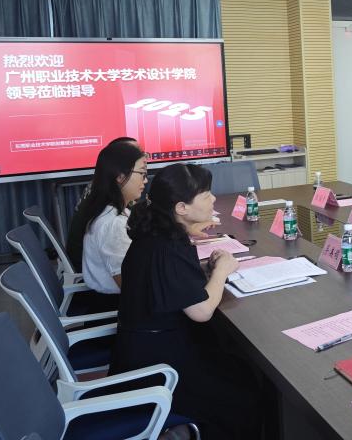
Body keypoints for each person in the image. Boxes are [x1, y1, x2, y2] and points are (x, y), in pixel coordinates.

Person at [111, 163, 259, 439]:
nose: (213, 198)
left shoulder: (159, 234)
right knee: (244, 393)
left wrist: (198, 250)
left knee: (239, 367)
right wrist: (222, 271)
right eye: (205, 195)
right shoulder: (168, 247)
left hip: (146, 347)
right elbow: (201, 311)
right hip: (157, 367)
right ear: (181, 208)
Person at [79, 139, 148, 296]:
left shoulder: (113, 210)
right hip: (117, 303)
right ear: (120, 177)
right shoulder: (113, 224)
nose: (145, 180)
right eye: (142, 173)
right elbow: (130, 285)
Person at [66, 136, 141, 273]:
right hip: (88, 265)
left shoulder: (102, 188)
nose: (140, 156)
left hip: (94, 263)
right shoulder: (112, 216)